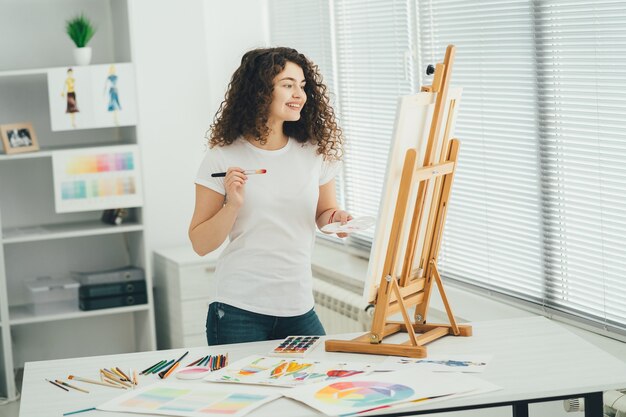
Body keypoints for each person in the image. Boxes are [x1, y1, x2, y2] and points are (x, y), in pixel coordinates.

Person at [189, 47, 352, 346]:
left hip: (299, 305)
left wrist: (336, 219)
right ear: (260, 92)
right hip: (239, 310)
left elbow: (324, 212)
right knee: (245, 393)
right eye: (287, 85)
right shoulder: (222, 157)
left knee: (314, 387)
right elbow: (201, 244)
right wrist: (232, 205)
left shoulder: (314, 152)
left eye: (302, 86)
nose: (299, 94)